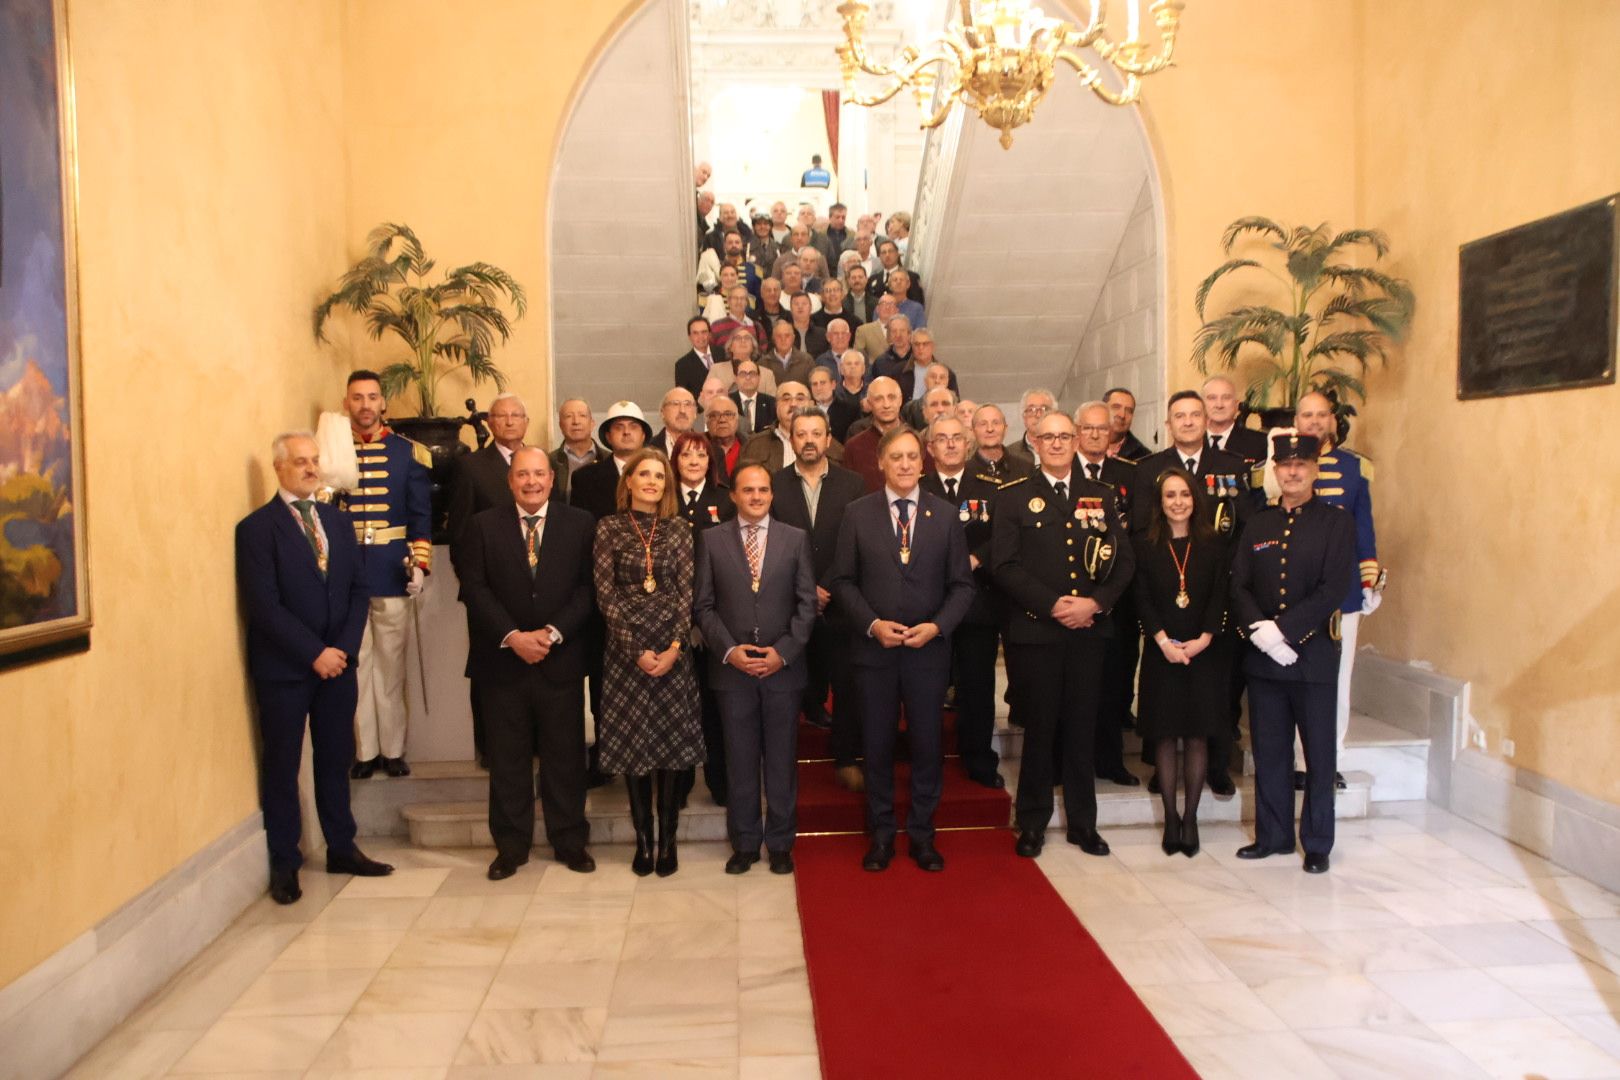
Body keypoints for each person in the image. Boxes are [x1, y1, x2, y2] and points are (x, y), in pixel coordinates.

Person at [237, 431, 395, 904]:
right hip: (286, 669)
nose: (310, 468)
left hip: (337, 666)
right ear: (279, 468)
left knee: (334, 759)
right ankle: (286, 863)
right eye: (300, 462)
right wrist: (315, 653)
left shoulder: (337, 521)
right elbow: (264, 607)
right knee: (284, 766)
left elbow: (356, 591)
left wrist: (341, 651)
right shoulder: (256, 529)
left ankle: (342, 846)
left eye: (314, 460)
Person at [831, 427, 975, 872]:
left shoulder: (946, 516)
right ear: (881, 462)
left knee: (927, 745)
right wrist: (873, 625)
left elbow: (962, 586)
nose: (907, 464)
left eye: (913, 456)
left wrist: (937, 627)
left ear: (924, 461)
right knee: (875, 745)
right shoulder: (857, 514)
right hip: (875, 652)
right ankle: (880, 835)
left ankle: (922, 835)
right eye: (897, 457)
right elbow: (841, 581)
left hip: (927, 654)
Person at [992, 412, 1134, 859]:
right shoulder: (1014, 497)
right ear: (1033, 441)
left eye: (1064, 436)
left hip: (1089, 632)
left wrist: (1095, 604)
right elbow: (1004, 565)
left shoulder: (1102, 495)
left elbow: (1123, 563)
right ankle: (1032, 822)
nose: (1056, 443)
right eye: (1047, 436)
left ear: (1077, 440)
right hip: (1037, 632)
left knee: (1081, 728)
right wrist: (1054, 605)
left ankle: (1083, 825)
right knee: (1040, 729)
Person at [459, 448, 597, 880]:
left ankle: (570, 841)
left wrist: (553, 633)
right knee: (507, 761)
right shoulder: (483, 525)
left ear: (552, 480)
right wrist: (514, 637)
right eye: (523, 474)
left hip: (561, 661)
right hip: (503, 664)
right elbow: (474, 588)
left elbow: (589, 589)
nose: (532, 481)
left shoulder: (580, 524)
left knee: (566, 759)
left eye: (539, 473)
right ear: (510, 480)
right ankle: (511, 847)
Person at [1233, 433, 1357, 874]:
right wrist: (1261, 635)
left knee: (1320, 754)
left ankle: (1319, 841)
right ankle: (1274, 836)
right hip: (1265, 660)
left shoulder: (1335, 522)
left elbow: (1333, 588)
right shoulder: (1259, 523)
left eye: (1301, 464)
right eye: (1284, 465)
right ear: (1275, 469)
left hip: (1314, 657)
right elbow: (1240, 585)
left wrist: (1284, 631)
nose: (1292, 472)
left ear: (1315, 468)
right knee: (1269, 751)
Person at [694, 463, 818, 875]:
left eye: (763, 490)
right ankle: (745, 842)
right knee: (739, 759)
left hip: (783, 670)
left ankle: (781, 842)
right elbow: (703, 606)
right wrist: (730, 651)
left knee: (781, 760)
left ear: (771, 494)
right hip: (732, 671)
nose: (756, 497)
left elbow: (806, 604)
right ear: (734, 495)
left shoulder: (795, 539)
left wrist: (783, 652)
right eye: (748, 490)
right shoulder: (711, 540)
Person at [1134, 390, 1253, 795]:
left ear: (1207, 421)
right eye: (1179, 416)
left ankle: (1216, 766)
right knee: (1163, 692)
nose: (1187, 422)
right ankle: (1160, 767)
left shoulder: (1232, 467)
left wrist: (1222, 581)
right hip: (1166, 596)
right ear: (1169, 423)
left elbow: (1243, 531)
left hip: (1217, 595)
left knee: (1218, 687)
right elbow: (1140, 532)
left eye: (1194, 415)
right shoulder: (1149, 468)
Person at [593, 449, 706, 876]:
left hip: (672, 651)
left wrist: (676, 646)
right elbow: (605, 594)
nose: (653, 482)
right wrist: (635, 649)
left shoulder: (679, 529)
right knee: (635, 748)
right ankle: (643, 842)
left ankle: (668, 842)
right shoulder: (608, 527)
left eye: (660, 476)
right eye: (645, 474)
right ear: (629, 481)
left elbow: (684, 592)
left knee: (672, 747)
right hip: (627, 653)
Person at [333, 370, 432, 779]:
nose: (366, 405)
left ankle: (393, 750)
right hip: (347, 576)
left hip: (392, 571)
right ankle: (365, 751)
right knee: (357, 666)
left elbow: (420, 517)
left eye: (372, 397)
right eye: (358, 398)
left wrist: (421, 564)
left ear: (383, 403)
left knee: (391, 668)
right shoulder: (333, 453)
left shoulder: (409, 453)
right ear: (347, 404)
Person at [1132, 467, 1231, 858]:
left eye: (1185, 495)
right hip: (1162, 651)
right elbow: (1141, 599)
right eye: (1170, 495)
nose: (1177, 502)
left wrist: (1203, 639)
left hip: (1203, 652)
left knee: (1196, 735)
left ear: (1195, 499)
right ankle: (1170, 818)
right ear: (1160, 502)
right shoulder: (1144, 544)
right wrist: (1162, 642)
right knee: (1165, 733)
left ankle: (1191, 818)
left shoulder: (1213, 544)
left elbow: (1220, 596)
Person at [771, 409, 868, 790]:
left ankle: (846, 757)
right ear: (791, 439)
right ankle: (783, 764)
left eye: (816, 433)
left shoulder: (854, 484)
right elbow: (772, 541)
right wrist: (806, 587)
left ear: (829, 439)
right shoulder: (773, 484)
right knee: (789, 687)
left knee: (847, 685)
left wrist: (825, 585)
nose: (808, 440)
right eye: (801, 433)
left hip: (841, 603)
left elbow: (856, 542)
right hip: (788, 604)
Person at [1293, 390, 1383, 789]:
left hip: (1341, 593)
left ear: (1331, 420)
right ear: (1296, 420)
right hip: (1293, 592)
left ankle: (1330, 758)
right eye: (1305, 415)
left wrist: (1368, 579)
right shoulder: (1280, 465)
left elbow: (1364, 527)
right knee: (1293, 676)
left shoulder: (1354, 468)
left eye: (1320, 415)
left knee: (1338, 678)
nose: (1313, 422)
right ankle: (1297, 760)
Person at [919, 415, 1004, 788]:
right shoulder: (916, 488)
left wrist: (977, 558)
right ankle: (927, 758)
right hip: (928, 604)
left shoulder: (991, 487)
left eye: (957, 438)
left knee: (977, 687)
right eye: (942, 439)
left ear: (967, 444)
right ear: (930, 447)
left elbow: (1004, 533)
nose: (951, 444)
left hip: (977, 605)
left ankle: (979, 758)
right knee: (928, 687)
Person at [447, 392, 531, 767]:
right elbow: (460, 532)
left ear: (526, 422)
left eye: (517, 415)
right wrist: (473, 586)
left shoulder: (539, 463)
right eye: (502, 415)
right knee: (489, 670)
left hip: (534, 587)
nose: (510, 421)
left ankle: (534, 743)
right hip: (489, 591)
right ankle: (489, 747)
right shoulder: (471, 467)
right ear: (490, 422)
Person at [1073, 401, 1141, 788]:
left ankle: (1110, 760)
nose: (1097, 435)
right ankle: (1069, 761)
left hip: (1119, 601)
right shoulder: (1063, 473)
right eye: (1089, 428)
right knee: (1075, 689)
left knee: (1115, 685)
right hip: (1075, 599)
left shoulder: (1130, 474)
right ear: (1078, 431)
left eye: (1103, 429)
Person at [673, 432, 735, 807]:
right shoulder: (664, 499)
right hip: (672, 621)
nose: (694, 461)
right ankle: (677, 785)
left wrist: (704, 619)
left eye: (701, 455)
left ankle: (719, 781)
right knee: (679, 705)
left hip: (715, 620)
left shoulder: (724, 500)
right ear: (675, 460)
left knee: (714, 707)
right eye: (686, 455)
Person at [570, 401, 651, 522]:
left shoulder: (660, 475)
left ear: (643, 435)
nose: (626, 432)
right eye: (619, 427)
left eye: (633, 426)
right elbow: (579, 528)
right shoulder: (585, 478)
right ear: (608, 436)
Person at [842, 376, 911, 492]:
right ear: (869, 403)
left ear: (900, 400)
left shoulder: (918, 443)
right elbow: (848, 491)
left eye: (891, 397)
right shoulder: (854, 448)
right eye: (879, 399)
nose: (886, 405)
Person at [1203, 375, 1269, 464]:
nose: (1219, 405)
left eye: (1226, 398)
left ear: (1236, 405)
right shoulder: (1188, 442)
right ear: (1201, 404)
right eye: (1212, 398)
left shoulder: (1261, 443)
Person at [549, 398, 599, 504]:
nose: (576, 421)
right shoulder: (549, 461)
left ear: (592, 423)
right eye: (568, 416)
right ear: (561, 425)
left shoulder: (608, 458)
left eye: (582, 415)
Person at [971, 404, 1033, 483]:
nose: (990, 429)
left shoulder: (1026, 468)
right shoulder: (964, 472)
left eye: (996, 423)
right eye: (983, 424)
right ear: (973, 431)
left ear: (1005, 429)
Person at [674, 317, 721, 400]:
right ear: (689, 337)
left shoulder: (723, 354)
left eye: (704, 332)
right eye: (695, 333)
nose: (700, 337)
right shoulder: (682, 365)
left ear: (710, 334)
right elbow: (683, 397)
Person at [729, 358, 775, 438]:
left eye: (752, 373)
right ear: (735, 378)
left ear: (759, 377)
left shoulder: (771, 403)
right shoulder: (728, 402)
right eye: (743, 374)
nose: (748, 378)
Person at [766, 319, 817, 388]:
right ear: (773, 339)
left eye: (787, 336)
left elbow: (814, 387)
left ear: (793, 338)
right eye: (779, 336)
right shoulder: (763, 363)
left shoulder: (807, 361)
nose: (783, 339)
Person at [1105, 387, 1152, 461]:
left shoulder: (1144, 457)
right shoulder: (1083, 445)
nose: (1122, 415)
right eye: (1116, 407)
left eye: (1129, 411)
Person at [652, 386, 699, 459]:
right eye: (675, 404)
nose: (682, 411)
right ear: (662, 412)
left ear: (695, 413)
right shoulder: (647, 448)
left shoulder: (712, 449)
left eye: (687, 404)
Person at [705, 396, 744, 482]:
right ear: (706, 422)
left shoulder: (752, 446)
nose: (722, 420)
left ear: (737, 419)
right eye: (714, 415)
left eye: (728, 414)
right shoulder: (698, 447)